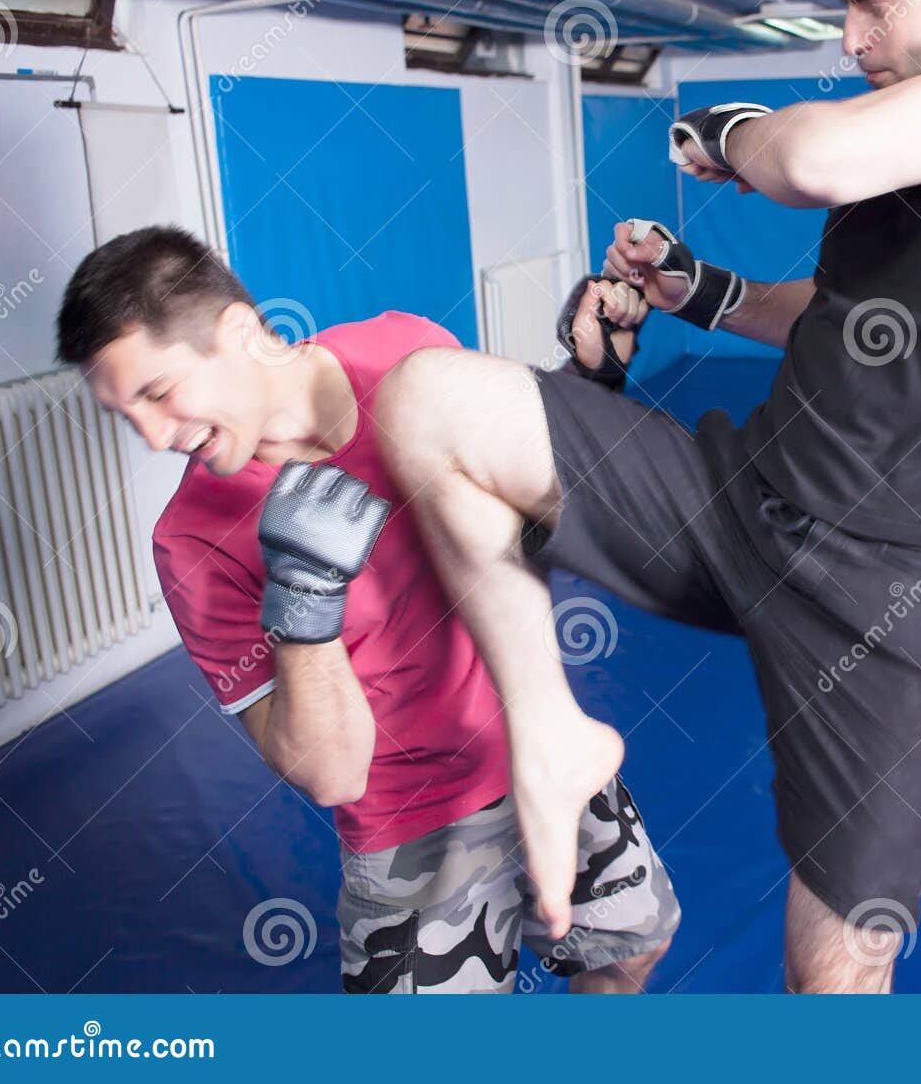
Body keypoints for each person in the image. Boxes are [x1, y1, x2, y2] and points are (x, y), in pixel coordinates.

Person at [375, 0, 921, 991]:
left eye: (873, 5)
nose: (851, 36)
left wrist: (733, 130)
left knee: (834, 972)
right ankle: (549, 730)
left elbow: (812, 159)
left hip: (890, 583)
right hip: (744, 492)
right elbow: (840, 312)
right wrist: (698, 289)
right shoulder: (903, 134)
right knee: (424, 397)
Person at [54, 227, 676, 993]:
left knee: (626, 952)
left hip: (540, 743)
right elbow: (331, 774)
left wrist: (588, 384)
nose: (152, 438)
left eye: (156, 393)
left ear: (239, 331)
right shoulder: (192, 541)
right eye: (126, 416)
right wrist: (305, 597)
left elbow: (516, 520)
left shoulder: (406, 353)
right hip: (413, 825)